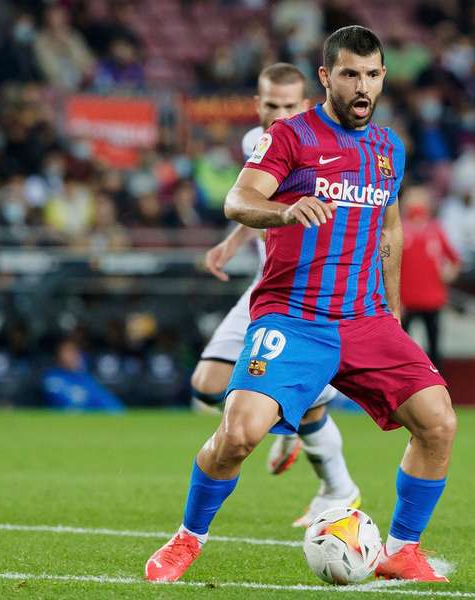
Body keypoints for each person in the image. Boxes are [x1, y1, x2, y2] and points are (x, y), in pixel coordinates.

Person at [146, 26, 456, 584]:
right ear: (326, 78)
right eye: (350, 74)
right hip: (294, 318)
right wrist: (283, 212)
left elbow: (389, 230)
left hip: (365, 319)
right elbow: (238, 199)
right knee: (239, 435)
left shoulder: (388, 149)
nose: (362, 86)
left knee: (438, 423)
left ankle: (402, 549)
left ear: (383, 77)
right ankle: (186, 539)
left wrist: (395, 311)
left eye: (372, 75)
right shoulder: (291, 136)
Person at [189, 62, 361, 527]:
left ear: (305, 104)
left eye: (289, 106)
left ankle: (338, 487)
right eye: (271, 105)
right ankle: (280, 421)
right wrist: (230, 243)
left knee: (308, 404)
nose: (279, 114)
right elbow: (255, 204)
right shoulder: (255, 142)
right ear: (257, 103)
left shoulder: (330, 145)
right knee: (206, 387)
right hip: (265, 285)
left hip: (312, 292)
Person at [400, 184, 460, 368]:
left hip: (432, 300)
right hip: (405, 301)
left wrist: (449, 273)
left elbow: (454, 259)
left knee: (434, 347)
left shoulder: (435, 229)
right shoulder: (399, 229)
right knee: (402, 348)